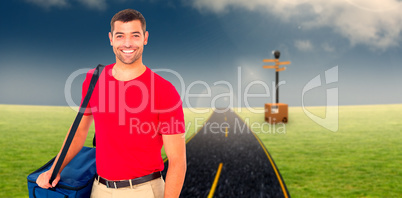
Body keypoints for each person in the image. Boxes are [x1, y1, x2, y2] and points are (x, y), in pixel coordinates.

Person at [36, 9, 187, 198]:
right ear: (111, 39)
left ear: (145, 38)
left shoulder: (164, 90)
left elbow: (177, 160)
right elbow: (79, 131)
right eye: (120, 36)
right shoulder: (94, 78)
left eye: (135, 35)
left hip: (144, 190)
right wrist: (56, 168)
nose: (127, 43)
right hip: (99, 189)